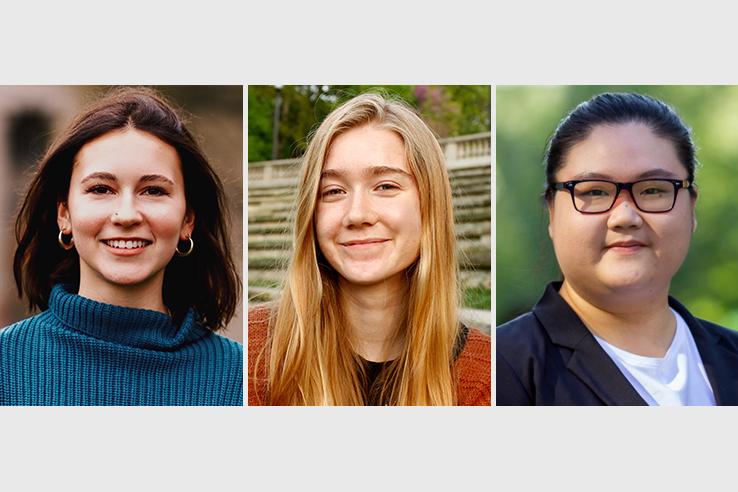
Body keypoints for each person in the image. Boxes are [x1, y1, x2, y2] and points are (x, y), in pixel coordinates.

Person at [1, 87, 243, 406]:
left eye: (153, 191)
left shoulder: (238, 377)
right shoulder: (7, 365)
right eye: (101, 189)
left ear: (188, 220)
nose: (126, 215)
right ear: (64, 214)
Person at [248, 93, 490, 406]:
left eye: (386, 186)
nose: (357, 214)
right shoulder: (252, 354)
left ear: (429, 206)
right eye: (333, 191)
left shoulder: (489, 376)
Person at [497, 92, 738, 406]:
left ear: (691, 208)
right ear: (552, 213)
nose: (625, 216)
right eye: (595, 191)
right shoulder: (505, 368)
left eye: (653, 190)